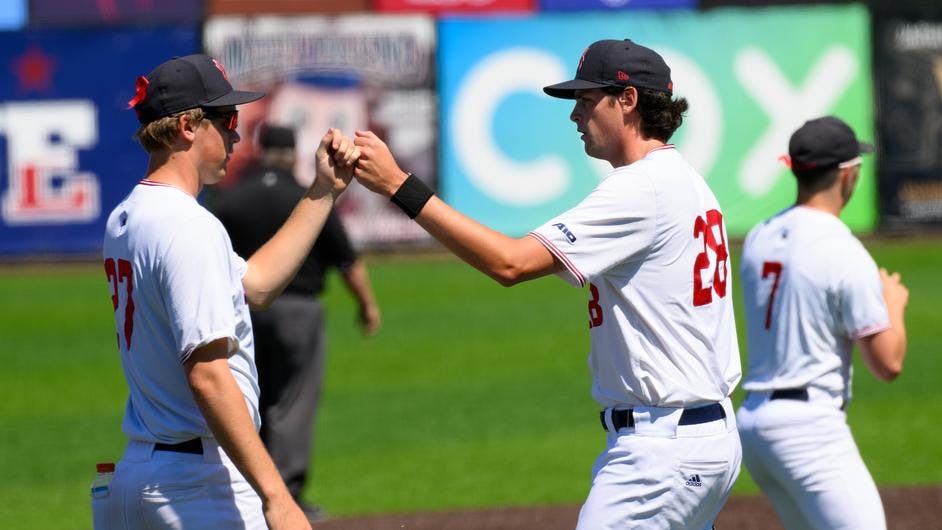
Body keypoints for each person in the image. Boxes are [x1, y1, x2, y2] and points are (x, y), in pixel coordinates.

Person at [352, 39, 742, 529]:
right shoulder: (684, 179)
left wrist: (398, 187)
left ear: (628, 101)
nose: (575, 116)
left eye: (586, 100)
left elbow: (510, 264)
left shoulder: (640, 187)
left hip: (662, 450)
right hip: (698, 435)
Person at [96, 54, 359, 529]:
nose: (237, 134)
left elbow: (255, 286)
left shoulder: (127, 216)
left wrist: (324, 189)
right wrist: (277, 496)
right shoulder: (189, 226)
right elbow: (208, 375)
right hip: (199, 485)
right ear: (187, 127)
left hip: (139, 475)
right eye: (227, 119)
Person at [737, 116, 909, 530]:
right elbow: (888, 364)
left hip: (754, 426)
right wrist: (894, 305)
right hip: (808, 431)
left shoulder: (760, 236)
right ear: (848, 175)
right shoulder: (842, 250)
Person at [213, 124, 381, 520]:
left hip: (243, 314)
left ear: (259, 149)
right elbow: (346, 259)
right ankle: (286, 494)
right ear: (291, 153)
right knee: (292, 403)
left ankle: (246, 490)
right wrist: (367, 305)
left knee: (247, 398)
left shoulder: (230, 198)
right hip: (299, 311)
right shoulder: (304, 196)